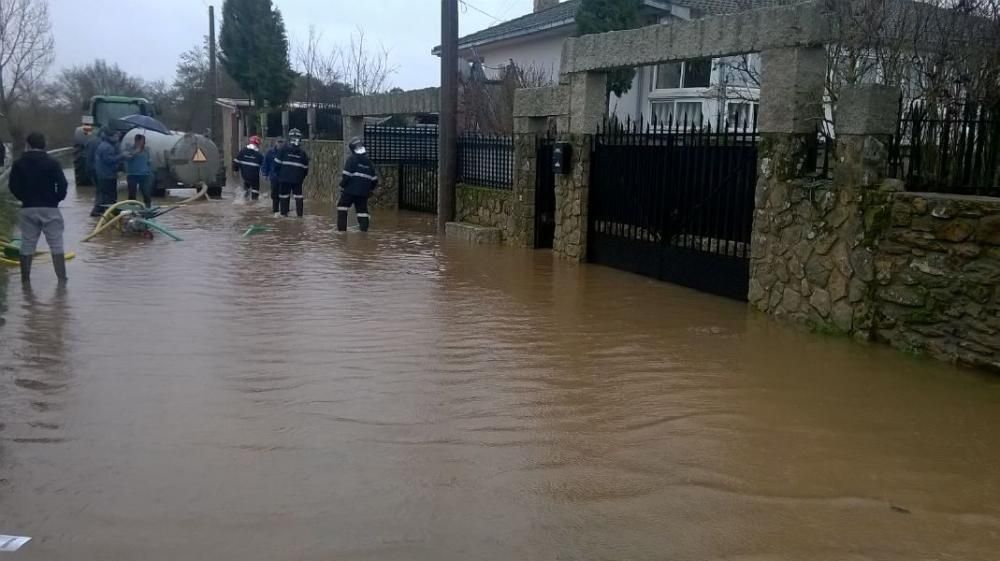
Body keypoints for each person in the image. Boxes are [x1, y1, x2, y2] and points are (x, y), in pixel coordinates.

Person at [7, 132, 69, 283]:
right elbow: (63, 185)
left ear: (28, 145)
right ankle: (62, 281)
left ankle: (25, 281)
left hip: (28, 208)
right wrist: (56, 199)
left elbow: (13, 186)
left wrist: (24, 198)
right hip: (50, 208)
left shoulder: (19, 163)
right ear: (44, 144)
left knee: (27, 243)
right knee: (56, 244)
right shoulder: (52, 163)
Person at [337, 137, 379, 232]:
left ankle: (342, 232)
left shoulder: (351, 159)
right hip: (363, 193)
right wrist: (369, 190)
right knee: (362, 212)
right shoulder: (369, 163)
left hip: (350, 191)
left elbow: (346, 176)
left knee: (342, 207)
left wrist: (342, 186)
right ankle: (364, 233)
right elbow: (375, 180)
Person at [274, 129, 309, 218]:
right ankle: (300, 216)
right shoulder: (303, 153)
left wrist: (279, 176)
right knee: (298, 197)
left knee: (284, 196)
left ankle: (284, 215)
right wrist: (300, 178)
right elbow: (305, 170)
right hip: (297, 180)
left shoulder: (283, 150)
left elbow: (276, 165)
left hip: (284, 179)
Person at [91, 127, 123, 217]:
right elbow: (109, 160)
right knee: (110, 195)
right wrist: (122, 156)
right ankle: (111, 213)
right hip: (107, 175)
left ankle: (103, 211)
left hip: (103, 174)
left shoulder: (104, 145)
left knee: (104, 195)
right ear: (110, 136)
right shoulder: (107, 147)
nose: (117, 138)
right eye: (116, 136)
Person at [123, 134, 154, 207]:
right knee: (132, 195)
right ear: (136, 141)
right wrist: (135, 152)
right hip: (132, 175)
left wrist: (149, 170)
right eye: (140, 141)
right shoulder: (129, 149)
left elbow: (149, 162)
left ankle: (147, 210)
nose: (142, 143)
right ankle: (131, 210)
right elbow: (126, 158)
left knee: (146, 193)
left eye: (143, 141)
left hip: (144, 175)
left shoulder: (146, 150)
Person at [234, 135, 264, 201]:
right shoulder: (259, 155)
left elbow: (236, 162)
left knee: (246, 189)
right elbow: (263, 166)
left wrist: (235, 171)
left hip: (245, 176)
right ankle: (254, 202)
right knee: (255, 192)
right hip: (254, 177)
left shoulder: (242, 151)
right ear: (257, 144)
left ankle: (245, 199)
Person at [261, 139, 284, 214]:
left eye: (281, 142)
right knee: (274, 194)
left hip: (284, 177)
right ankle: (275, 210)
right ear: (276, 143)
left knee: (283, 194)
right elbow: (265, 163)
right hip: (273, 177)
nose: (280, 144)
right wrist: (265, 174)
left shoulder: (286, 152)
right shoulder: (270, 152)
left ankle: (284, 210)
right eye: (279, 142)